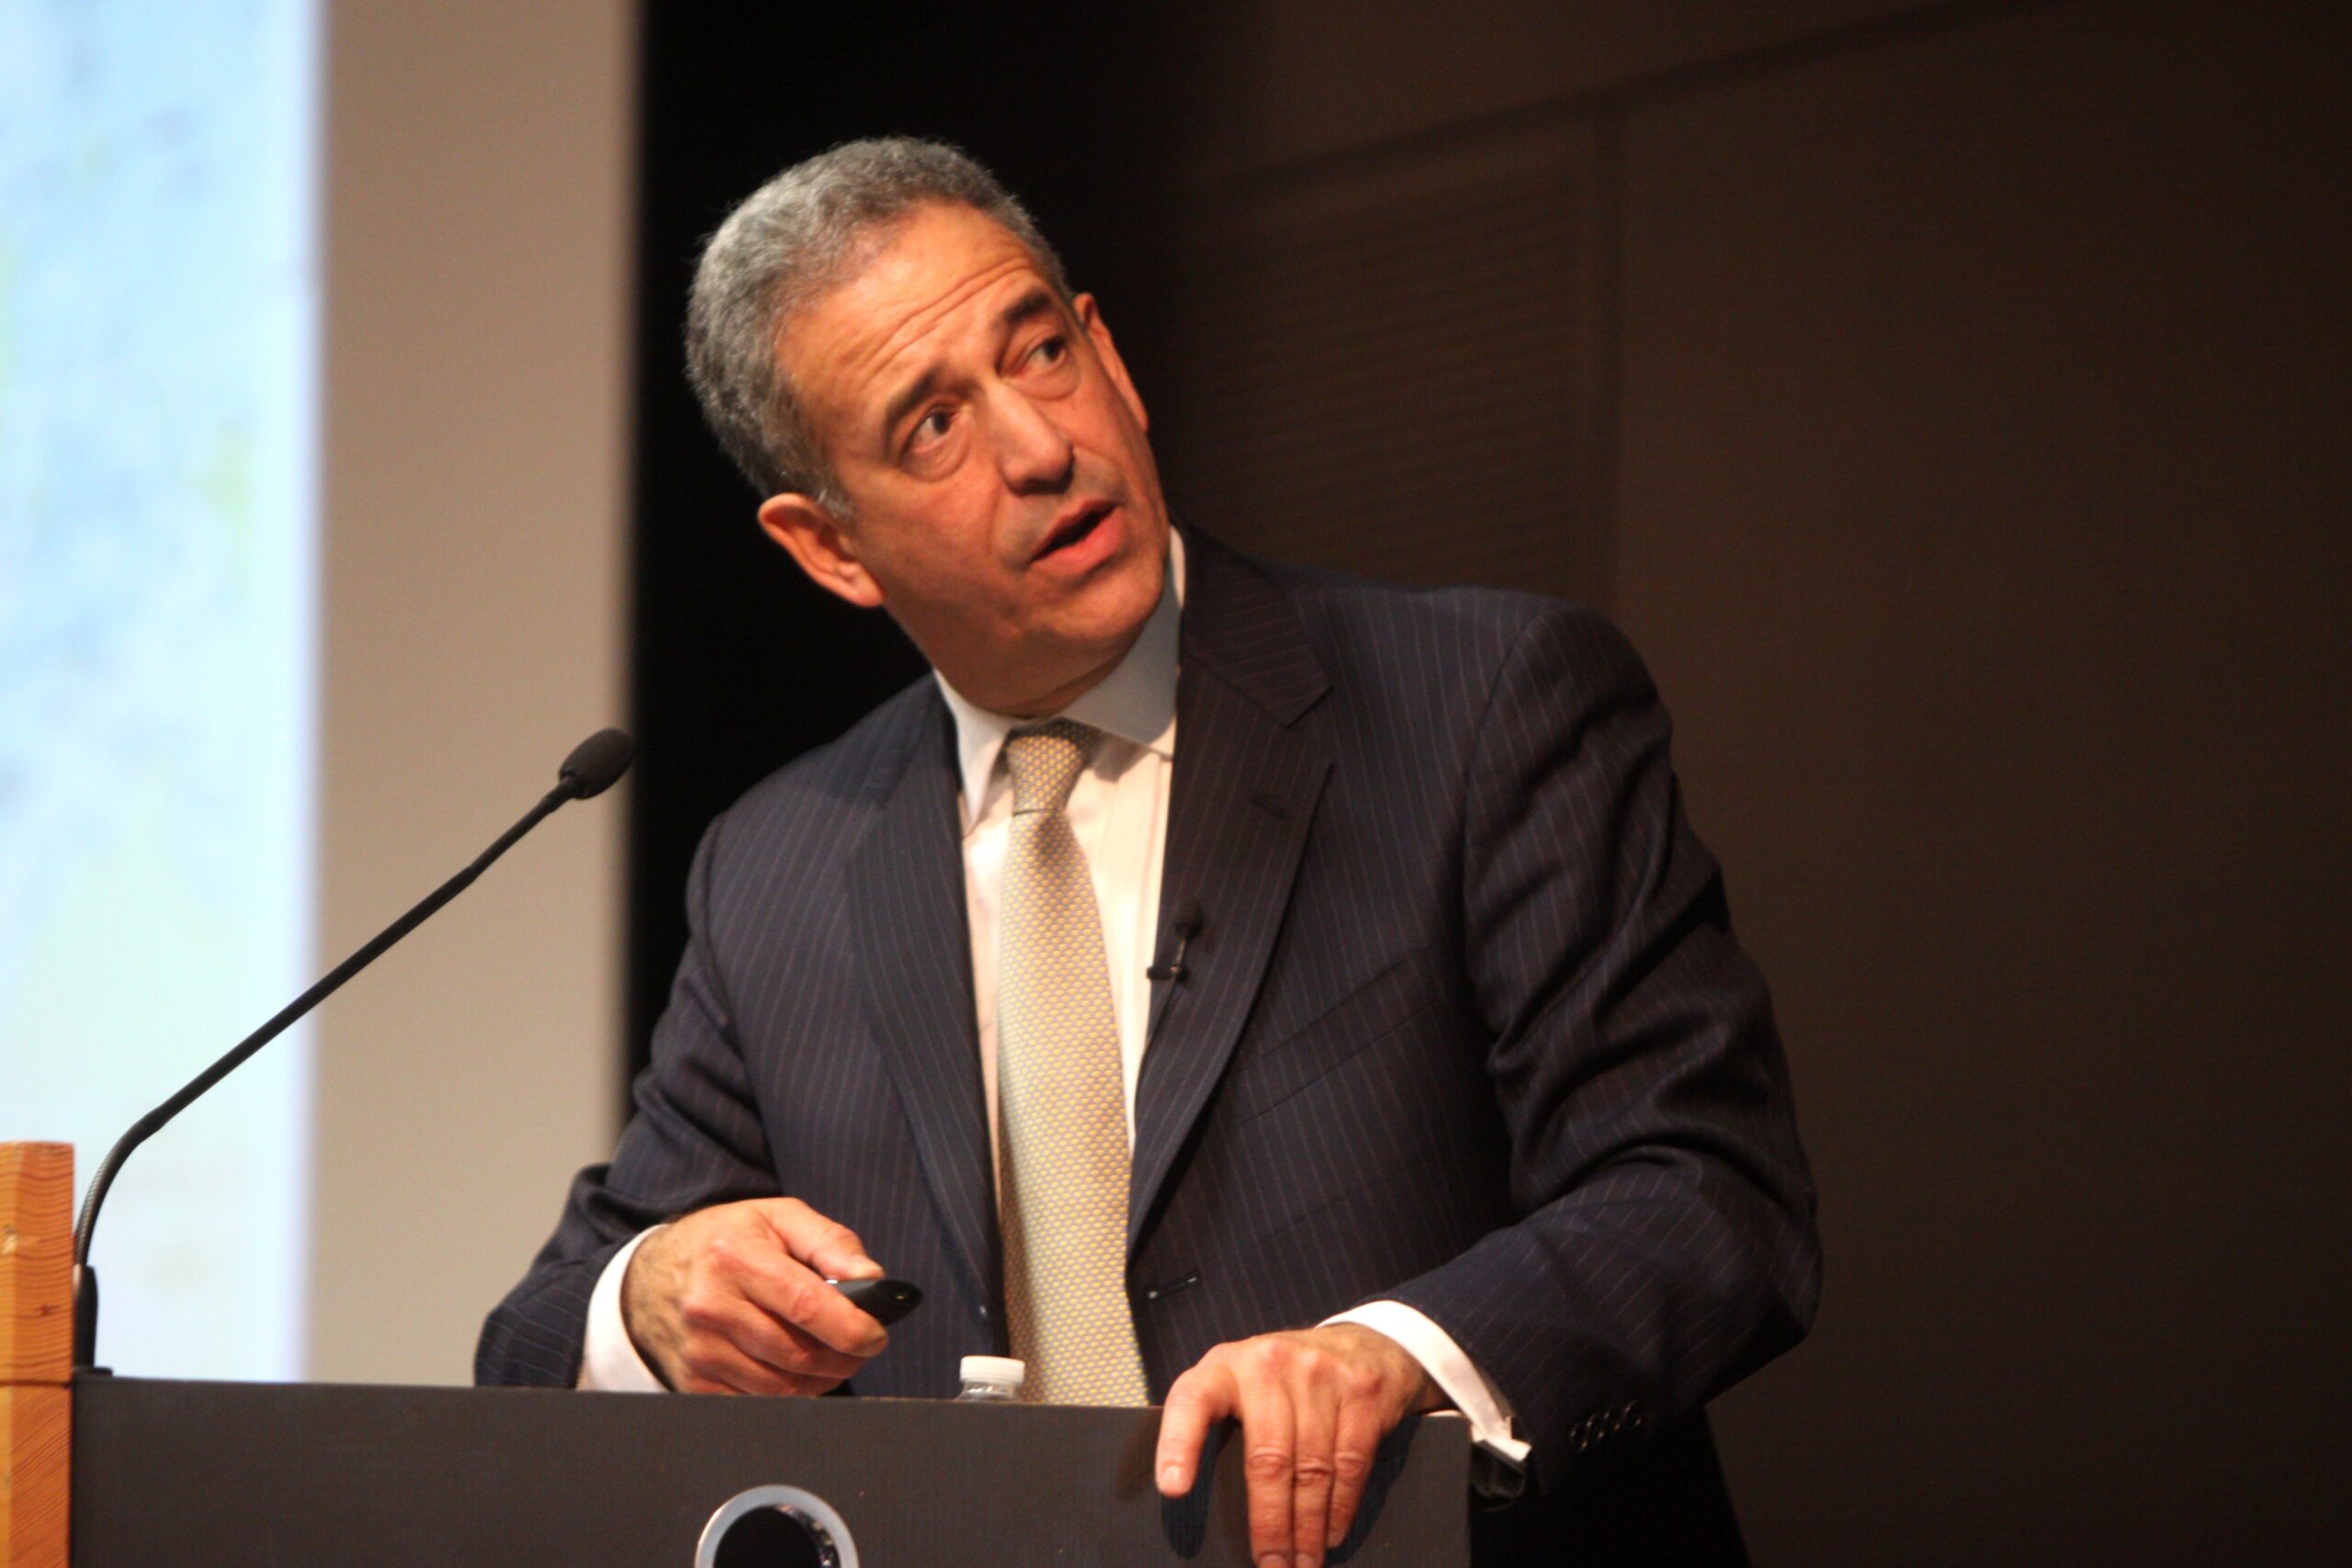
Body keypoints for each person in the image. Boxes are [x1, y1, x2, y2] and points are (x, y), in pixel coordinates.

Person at [480, 137, 1819, 1565]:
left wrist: (1403, 1357)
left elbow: (1705, 1194)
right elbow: (537, 1341)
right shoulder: (778, 869)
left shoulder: (1480, 709)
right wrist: (653, 1297)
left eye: (1041, 352)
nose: (1040, 447)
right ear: (830, 549)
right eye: (932, 426)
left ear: (1108, 353)